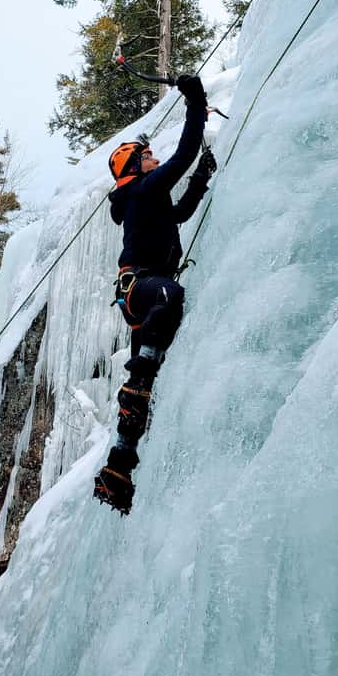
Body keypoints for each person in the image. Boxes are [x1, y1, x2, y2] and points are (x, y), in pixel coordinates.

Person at [94, 73, 216, 513]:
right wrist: (195, 101)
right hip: (144, 288)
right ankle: (140, 382)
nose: (155, 158)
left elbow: (179, 213)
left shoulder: (148, 199)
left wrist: (201, 177)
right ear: (134, 167)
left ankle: (119, 469)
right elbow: (183, 153)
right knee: (171, 297)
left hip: (141, 297)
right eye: (147, 156)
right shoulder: (143, 190)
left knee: (141, 396)